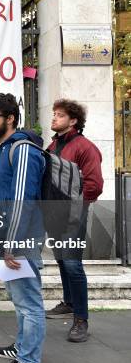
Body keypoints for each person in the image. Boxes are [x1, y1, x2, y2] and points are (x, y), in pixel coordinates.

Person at [0, 94, 46, 363]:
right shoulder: (6, 149)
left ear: (10, 118)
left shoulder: (22, 149)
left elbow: (22, 200)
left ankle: (28, 361)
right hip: (8, 239)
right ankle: (22, 349)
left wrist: (10, 243)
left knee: (29, 304)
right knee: (20, 300)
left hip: (20, 241)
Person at [44, 99, 103, 343]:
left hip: (73, 216)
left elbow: (94, 185)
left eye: (59, 115)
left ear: (73, 120)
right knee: (61, 260)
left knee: (72, 264)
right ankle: (68, 303)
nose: (54, 118)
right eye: (54, 114)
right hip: (53, 215)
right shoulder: (53, 145)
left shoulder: (85, 147)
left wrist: (74, 210)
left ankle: (81, 319)